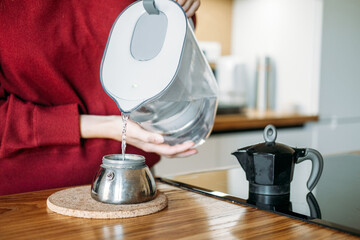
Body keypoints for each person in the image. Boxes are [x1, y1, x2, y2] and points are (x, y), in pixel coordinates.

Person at [0, 0, 201, 195]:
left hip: (133, 183)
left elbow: (161, 48)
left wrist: (179, 8)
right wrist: (106, 127)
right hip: (24, 197)